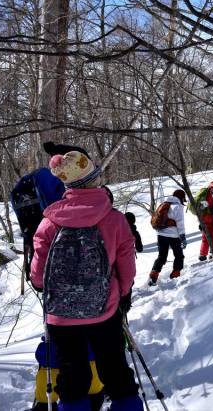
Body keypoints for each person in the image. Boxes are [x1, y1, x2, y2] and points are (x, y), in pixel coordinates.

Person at [30, 142, 143, 411]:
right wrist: (123, 294)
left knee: (71, 378)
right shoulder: (115, 219)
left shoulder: (49, 222)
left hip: (62, 317)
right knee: (116, 372)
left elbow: (37, 276)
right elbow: (126, 269)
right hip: (105, 310)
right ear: (94, 180)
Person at [148, 189, 187, 285]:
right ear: (181, 198)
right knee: (179, 255)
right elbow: (180, 223)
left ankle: (154, 274)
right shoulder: (178, 206)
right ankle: (175, 274)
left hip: (160, 234)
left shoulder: (164, 204)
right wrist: (183, 237)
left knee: (162, 256)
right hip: (173, 235)